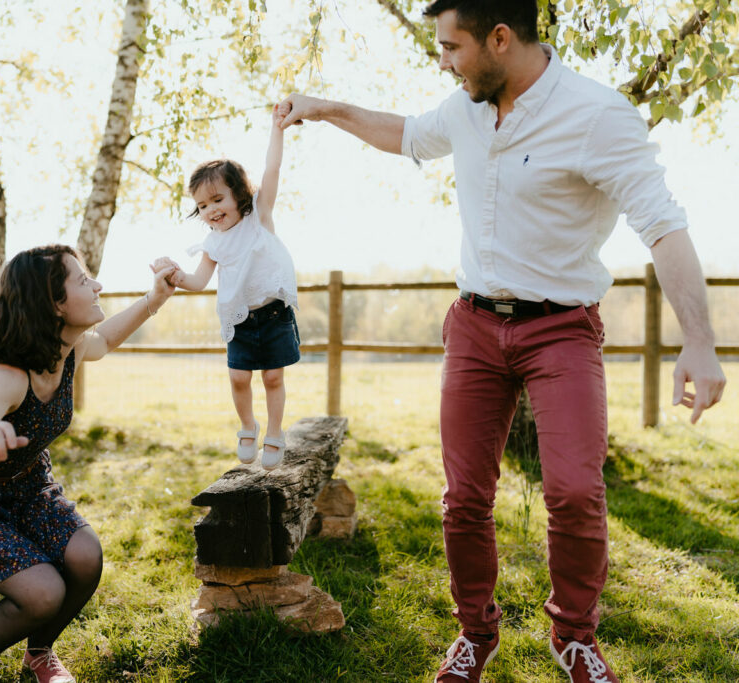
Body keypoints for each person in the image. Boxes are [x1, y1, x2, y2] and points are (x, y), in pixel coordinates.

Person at [277, 1, 726, 681]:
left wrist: (699, 339)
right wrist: (325, 107)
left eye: (452, 48)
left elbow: (664, 226)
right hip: (476, 326)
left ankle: (574, 635)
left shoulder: (597, 115)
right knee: (464, 498)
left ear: (500, 38)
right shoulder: (464, 107)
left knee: (575, 490)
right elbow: (405, 133)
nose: (444, 62)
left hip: (562, 330)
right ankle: (475, 633)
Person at [0, 245, 176, 683]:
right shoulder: (8, 376)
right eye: (83, 279)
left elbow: (105, 340)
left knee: (86, 556)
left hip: (27, 487)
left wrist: (155, 299)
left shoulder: (68, 351)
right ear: (54, 305)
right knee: (44, 593)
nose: (97, 285)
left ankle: (39, 654)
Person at [153, 104, 300, 471]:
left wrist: (278, 129)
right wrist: (173, 274)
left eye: (217, 200)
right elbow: (198, 281)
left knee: (273, 376)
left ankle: (276, 431)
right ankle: (248, 425)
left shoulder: (259, 218)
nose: (211, 210)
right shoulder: (213, 243)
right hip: (240, 320)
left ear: (239, 195)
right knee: (238, 379)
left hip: (274, 313)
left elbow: (272, 168)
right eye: (202, 205)